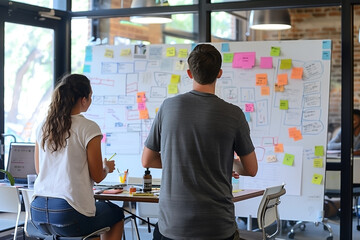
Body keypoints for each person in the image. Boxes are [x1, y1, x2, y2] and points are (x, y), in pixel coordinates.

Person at [142, 44, 258, 240]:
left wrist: (178, 161)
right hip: (217, 227)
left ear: (189, 73)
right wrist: (224, 164)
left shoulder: (168, 107)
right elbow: (251, 168)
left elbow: (147, 160)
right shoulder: (234, 114)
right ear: (219, 73)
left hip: (172, 227)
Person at [30, 74, 124, 240]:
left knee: (92, 224)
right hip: (67, 213)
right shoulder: (89, 128)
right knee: (115, 214)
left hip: (38, 212)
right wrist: (107, 167)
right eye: (90, 96)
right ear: (83, 99)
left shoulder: (43, 126)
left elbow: (39, 170)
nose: (90, 100)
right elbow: (97, 176)